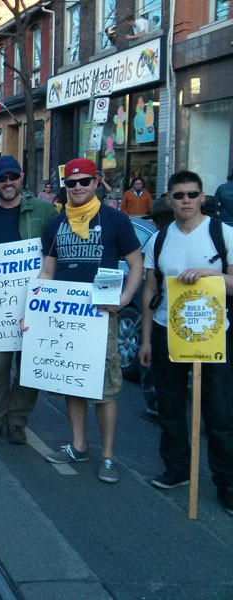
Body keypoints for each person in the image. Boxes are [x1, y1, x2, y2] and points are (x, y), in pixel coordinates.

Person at [39, 157, 143, 483]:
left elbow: (136, 264)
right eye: (72, 183)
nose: (78, 187)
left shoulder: (115, 220)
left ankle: (108, 456)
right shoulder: (56, 225)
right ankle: (78, 445)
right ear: (65, 188)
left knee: (105, 389)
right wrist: (36, 312)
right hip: (66, 317)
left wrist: (125, 299)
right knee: (73, 381)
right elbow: (47, 272)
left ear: (96, 182)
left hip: (102, 317)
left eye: (84, 181)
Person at [138, 170, 233, 515]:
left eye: (192, 194)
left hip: (213, 334)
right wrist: (146, 340)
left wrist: (213, 275)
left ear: (203, 197)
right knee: (171, 407)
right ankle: (177, 469)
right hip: (167, 331)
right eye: (179, 195)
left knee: (219, 411)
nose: (186, 201)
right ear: (169, 199)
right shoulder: (159, 240)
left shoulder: (224, 235)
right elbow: (150, 290)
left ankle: (226, 482)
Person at [0, 156, 57, 443]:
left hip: (34, 305)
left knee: (29, 367)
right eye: (2, 178)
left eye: (13, 177)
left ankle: (17, 422)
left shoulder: (45, 212)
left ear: (21, 177)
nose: (8, 182)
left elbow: (57, 253)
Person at [138, 192, 175, 423]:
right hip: (166, 316)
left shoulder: (155, 240)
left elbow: (147, 287)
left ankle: (155, 404)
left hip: (162, 315)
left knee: (155, 369)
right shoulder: (160, 241)